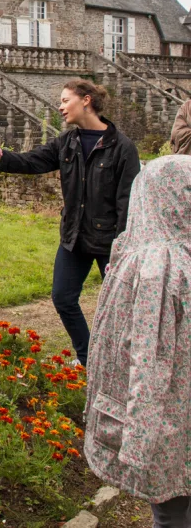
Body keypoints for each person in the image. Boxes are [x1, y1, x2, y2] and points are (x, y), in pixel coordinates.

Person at [0, 79, 140, 367]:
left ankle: (128, 363)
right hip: (74, 236)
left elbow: (127, 203)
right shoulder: (68, 142)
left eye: (66, 100)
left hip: (110, 243)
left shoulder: (122, 148)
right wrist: (1, 155)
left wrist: (122, 249)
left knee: (122, 307)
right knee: (63, 298)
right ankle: (89, 358)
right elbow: (33, 161)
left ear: (86, 100)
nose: (60, 106)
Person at [84, 155, 191, 527]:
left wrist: (137, 444)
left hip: (168, 428)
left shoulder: (156, 269)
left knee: (170, 509)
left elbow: (147, 359)